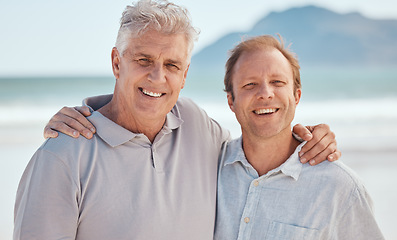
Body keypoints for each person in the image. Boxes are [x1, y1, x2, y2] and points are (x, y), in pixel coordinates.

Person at [14, 1, 339, 239]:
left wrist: (306, 137)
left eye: (171, 65)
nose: (157, 77)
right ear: (117, 62)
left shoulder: (199, 128)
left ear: (184, 75)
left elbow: (256, 147)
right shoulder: (62, 158)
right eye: (144, 60)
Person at [214, 35, 384, 239]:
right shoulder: (209, 169)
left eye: (277, 82)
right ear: (231, 101)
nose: (266, 93)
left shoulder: (339, 187)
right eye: (250, 84)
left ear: (296, 96)